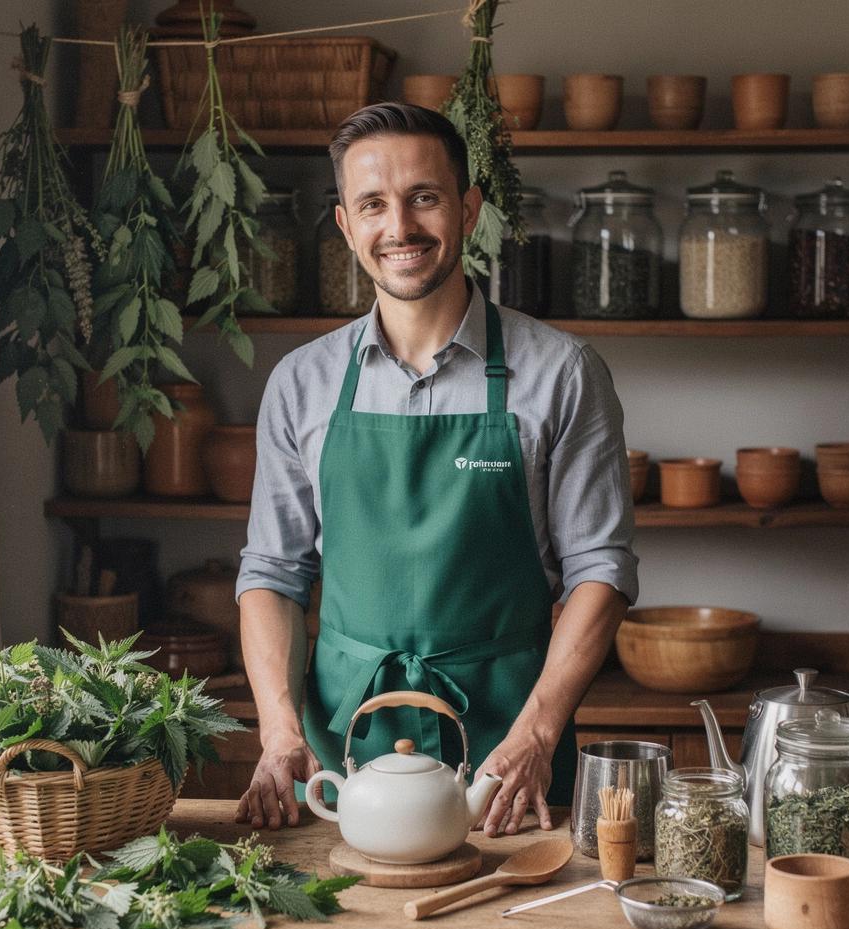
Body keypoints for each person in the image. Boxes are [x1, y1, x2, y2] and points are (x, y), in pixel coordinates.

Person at [235, 102, 637, 838]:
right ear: (346, 225)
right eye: (373, 205)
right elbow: (272, 574)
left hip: (507, 761)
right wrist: (278, 732)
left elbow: (601, 573)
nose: (400, 228)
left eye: (424, 197)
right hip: (342, 764)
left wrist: (538, 735)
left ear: (468, 208)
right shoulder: (302, 382)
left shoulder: (563, 374)